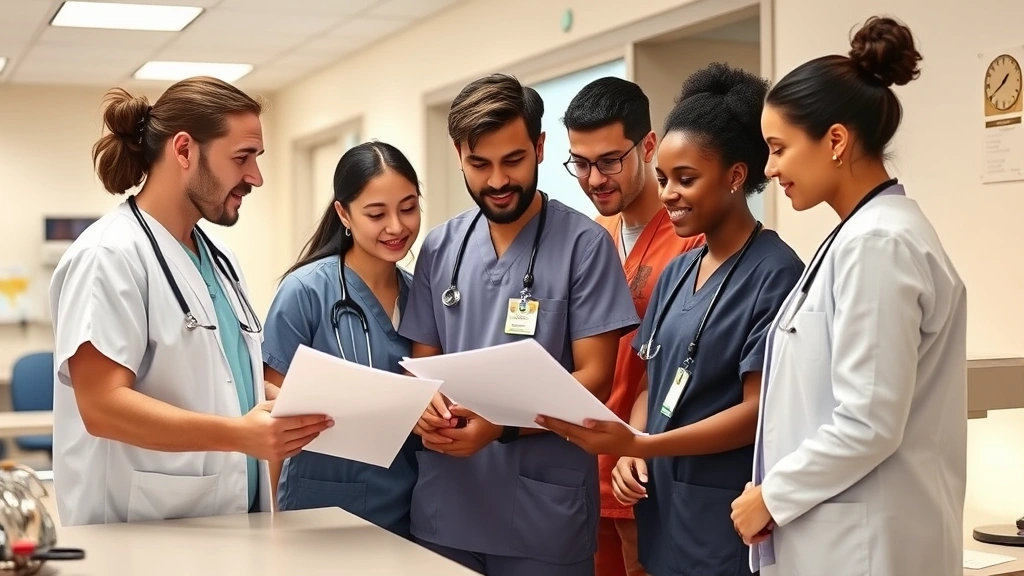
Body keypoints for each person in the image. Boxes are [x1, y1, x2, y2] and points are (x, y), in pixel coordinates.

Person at [537, 63, 804, 576]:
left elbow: (759, 410)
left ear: (735, 177)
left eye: (685, 179)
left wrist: (643, 444)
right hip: (656, 496)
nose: (667, 194)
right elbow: (650, 382)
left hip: (721, 507)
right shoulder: (679, 272)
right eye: (664, 179)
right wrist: (635, 450)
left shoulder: (776, 272)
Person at [729, 16, 967, 576]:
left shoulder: (878, 243)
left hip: (867, 547)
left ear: (835, 140)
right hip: (844, 537)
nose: (770, 169)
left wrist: (773, 496)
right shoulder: (858, 236)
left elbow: (868, 421)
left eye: (778, 148)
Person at [48, 77, 333, 527]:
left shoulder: (220, 259)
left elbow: (219, 376)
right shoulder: (109, 255)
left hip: (228, 522)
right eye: (242, 157)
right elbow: (101, 406)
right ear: (184, 150)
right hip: (137, 528)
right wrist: (237, 434)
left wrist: (290, 404)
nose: (255, 177)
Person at [398, 73, 640, 576]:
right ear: (458, 154)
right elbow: (424, 367)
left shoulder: (584, 246)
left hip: (541, 515)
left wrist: (501, 426)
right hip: (447, 507)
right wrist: (425, 409)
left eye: (513, 160)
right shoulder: (440, 248)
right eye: (479, 164)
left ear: (540, 147)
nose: (497, 181)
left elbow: (595, 378)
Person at [561, 76, 704, 576]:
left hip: (647, 473)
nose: (594, 179)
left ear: (647, 146)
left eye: (609, 161)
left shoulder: (692, 240)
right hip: (584, 473)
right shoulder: (589, 239)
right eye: (580, 163)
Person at [262, 141, 423, 537]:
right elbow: (270, 420)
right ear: (343, 214)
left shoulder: (423, 296)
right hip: (318, 513)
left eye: (408, 208)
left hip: (407, 513)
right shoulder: (305, 292)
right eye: (376, 214)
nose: (396, 227)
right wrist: (270, 525)